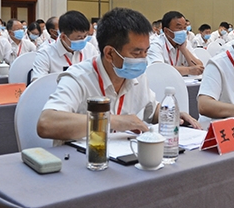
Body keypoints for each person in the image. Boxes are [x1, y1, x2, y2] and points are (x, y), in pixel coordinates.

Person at [37, 8, 199, 142]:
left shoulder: (137, 75)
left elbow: (150, 109)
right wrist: (112, 121)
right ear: (109, 53)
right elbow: (46, 123)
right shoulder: (78, 77)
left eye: (146, 52)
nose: (143, 59)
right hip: (84, 160)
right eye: (136, 53)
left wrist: (168, 115)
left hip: (124, 157)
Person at [30, 10, 99, 82]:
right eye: (79, 37)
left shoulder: (90, 49)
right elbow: (38, 84)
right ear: (63, 36)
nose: (83, 40)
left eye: (85, 36)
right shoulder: (45, 54)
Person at [147, 11, 204, 76]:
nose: (183, 31)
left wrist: (184, 50)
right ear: (166, 31)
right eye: (179, 28)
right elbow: (159, 69)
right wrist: (188, 70)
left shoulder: (184, 42)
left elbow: (199, 67)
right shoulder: (156, 44)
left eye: (184, 28)